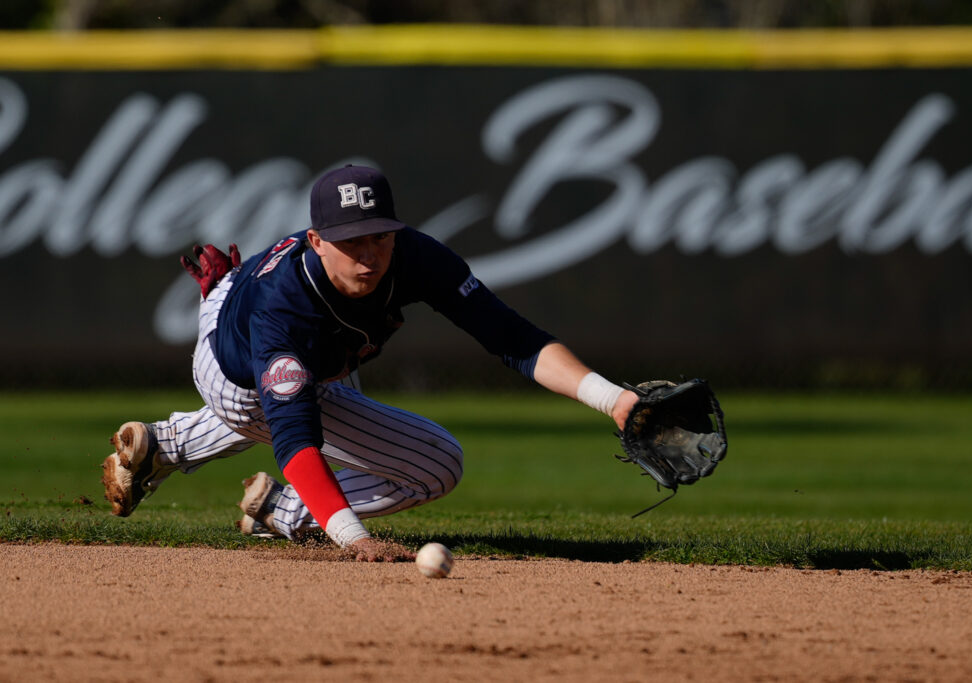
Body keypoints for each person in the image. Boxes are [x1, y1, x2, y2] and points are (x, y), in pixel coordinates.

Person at [102, 164, 639, 561]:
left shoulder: (413, 256)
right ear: (316, 241)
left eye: (379, 235)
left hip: (250, 311)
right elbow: (295, 437)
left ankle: (164, 445)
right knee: (436, 464)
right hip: (236, 372)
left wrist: (614, 400)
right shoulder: (285, 310)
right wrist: (353, 536)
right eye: (350, 241)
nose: (369, 254)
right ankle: (280, 511)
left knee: (324, 378)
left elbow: (512, 337)